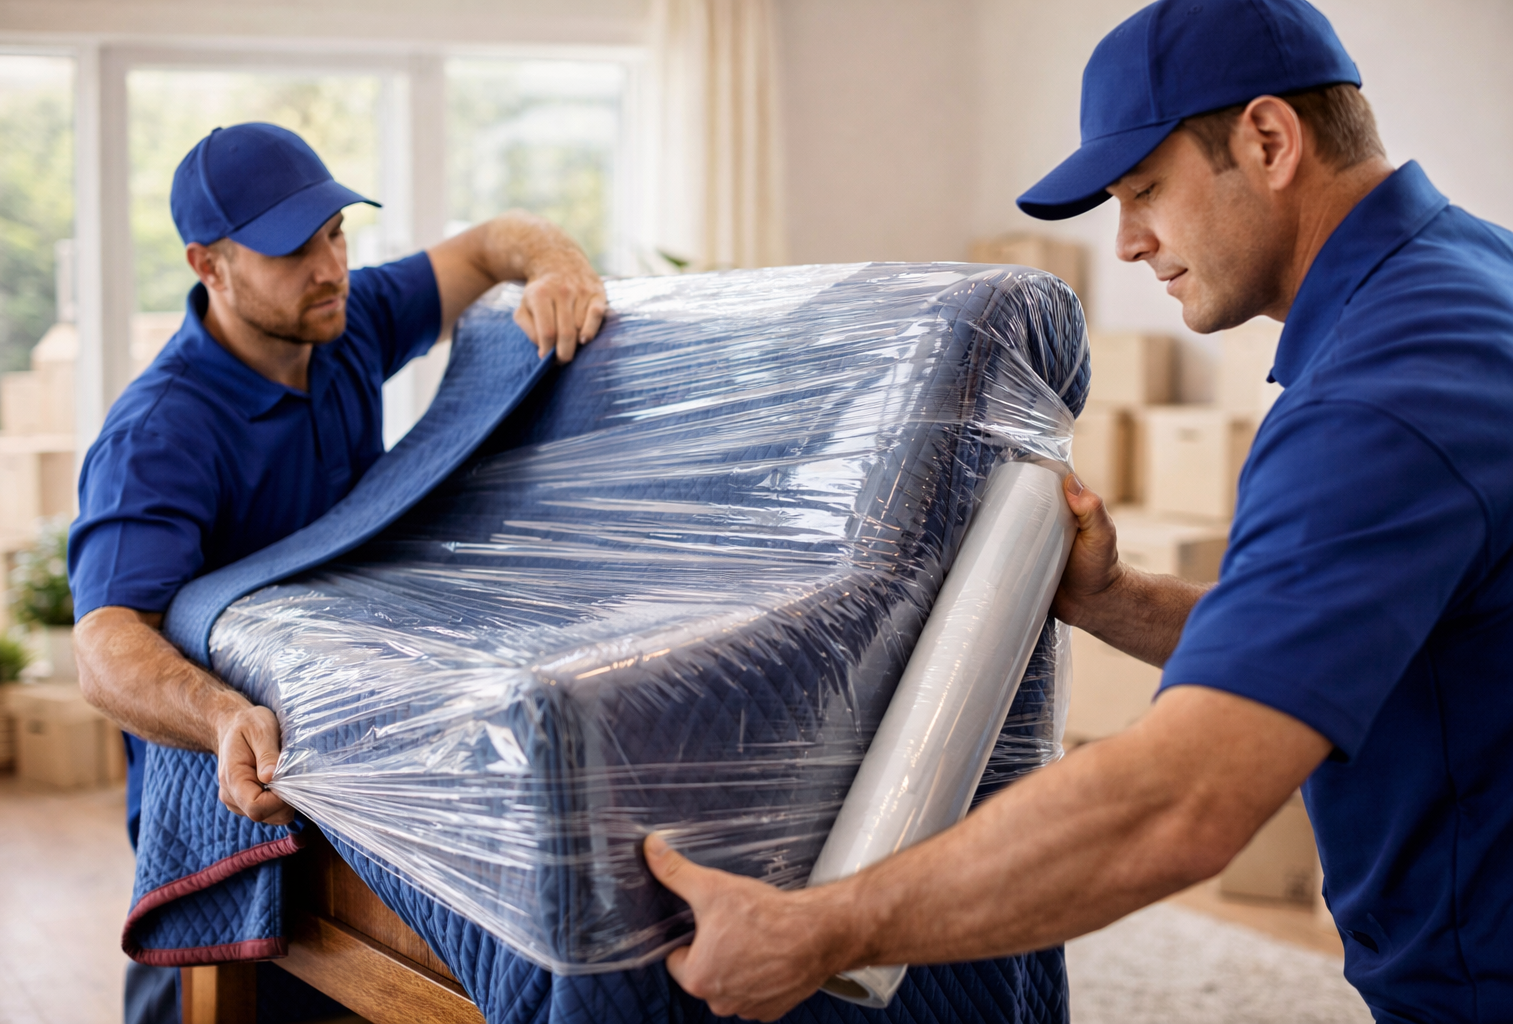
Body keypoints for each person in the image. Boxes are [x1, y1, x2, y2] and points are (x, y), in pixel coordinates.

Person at [639, 2, 1513, 1021]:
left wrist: (821, 928)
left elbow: (1178, 802)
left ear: (1269, 140)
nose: (1131, 241)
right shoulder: (1466, 279)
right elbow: (1358, 650)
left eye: (1145, 189)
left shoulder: (1383, 393)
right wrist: (1111, 600)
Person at [68, 122, 606, 1024]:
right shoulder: (160, 434)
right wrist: (220, 717)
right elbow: (104, 645)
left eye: (335, 231)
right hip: (224, 786)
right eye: (290, 249)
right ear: (210, 265)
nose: (329, 266)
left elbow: (489, 244)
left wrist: (558, 267)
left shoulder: (342, 324)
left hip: (343, 758)